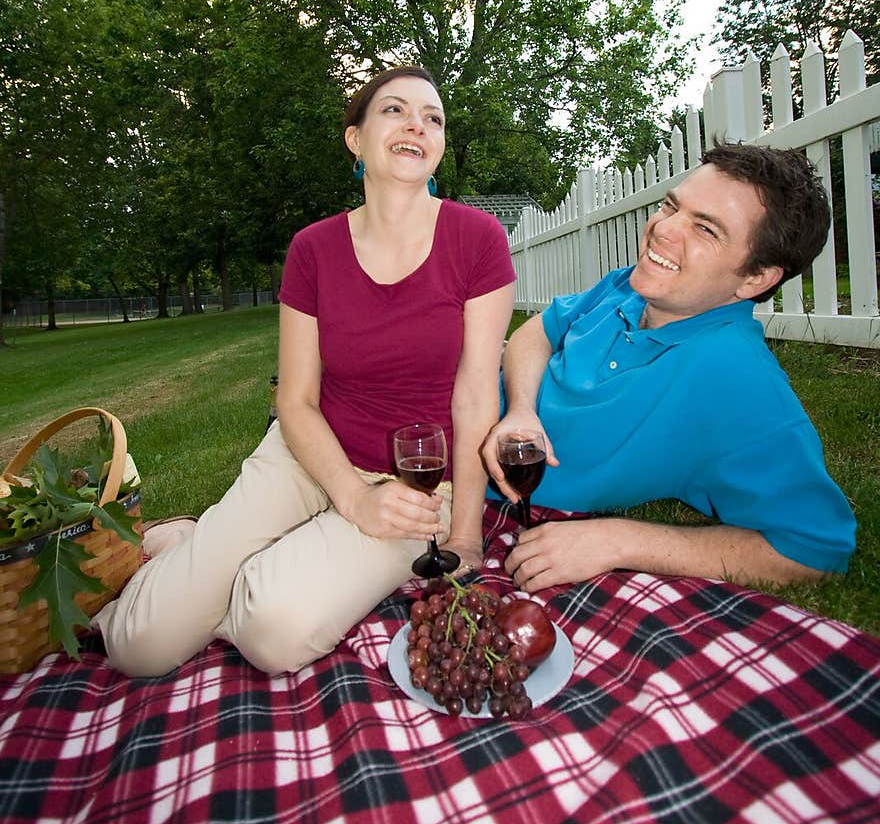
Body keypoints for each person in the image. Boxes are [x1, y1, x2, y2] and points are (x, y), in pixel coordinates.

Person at [95, 65, 516, 676]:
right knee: (139, 648)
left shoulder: (477, 239)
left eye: (433, 118)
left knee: (275, 634)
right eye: (395, 110)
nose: (416, 126)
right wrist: (350, 499)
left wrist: (466, 535)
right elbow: (295, 400)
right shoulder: (313, 249)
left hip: (416, 486)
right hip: (306, 454)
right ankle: (197, 549)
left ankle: (210, 563)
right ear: (356, 138)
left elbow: (478, 393)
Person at [481, 142, 856, 594]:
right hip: (462, 404)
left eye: (705, 229)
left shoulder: (735, 379)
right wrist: (520, 409)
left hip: (456, 473)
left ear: (756, 278)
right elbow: (537, 332)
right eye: (671, 206)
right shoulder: (626, 287)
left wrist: (620, 539)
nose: (662, 229)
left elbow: (815, 548)